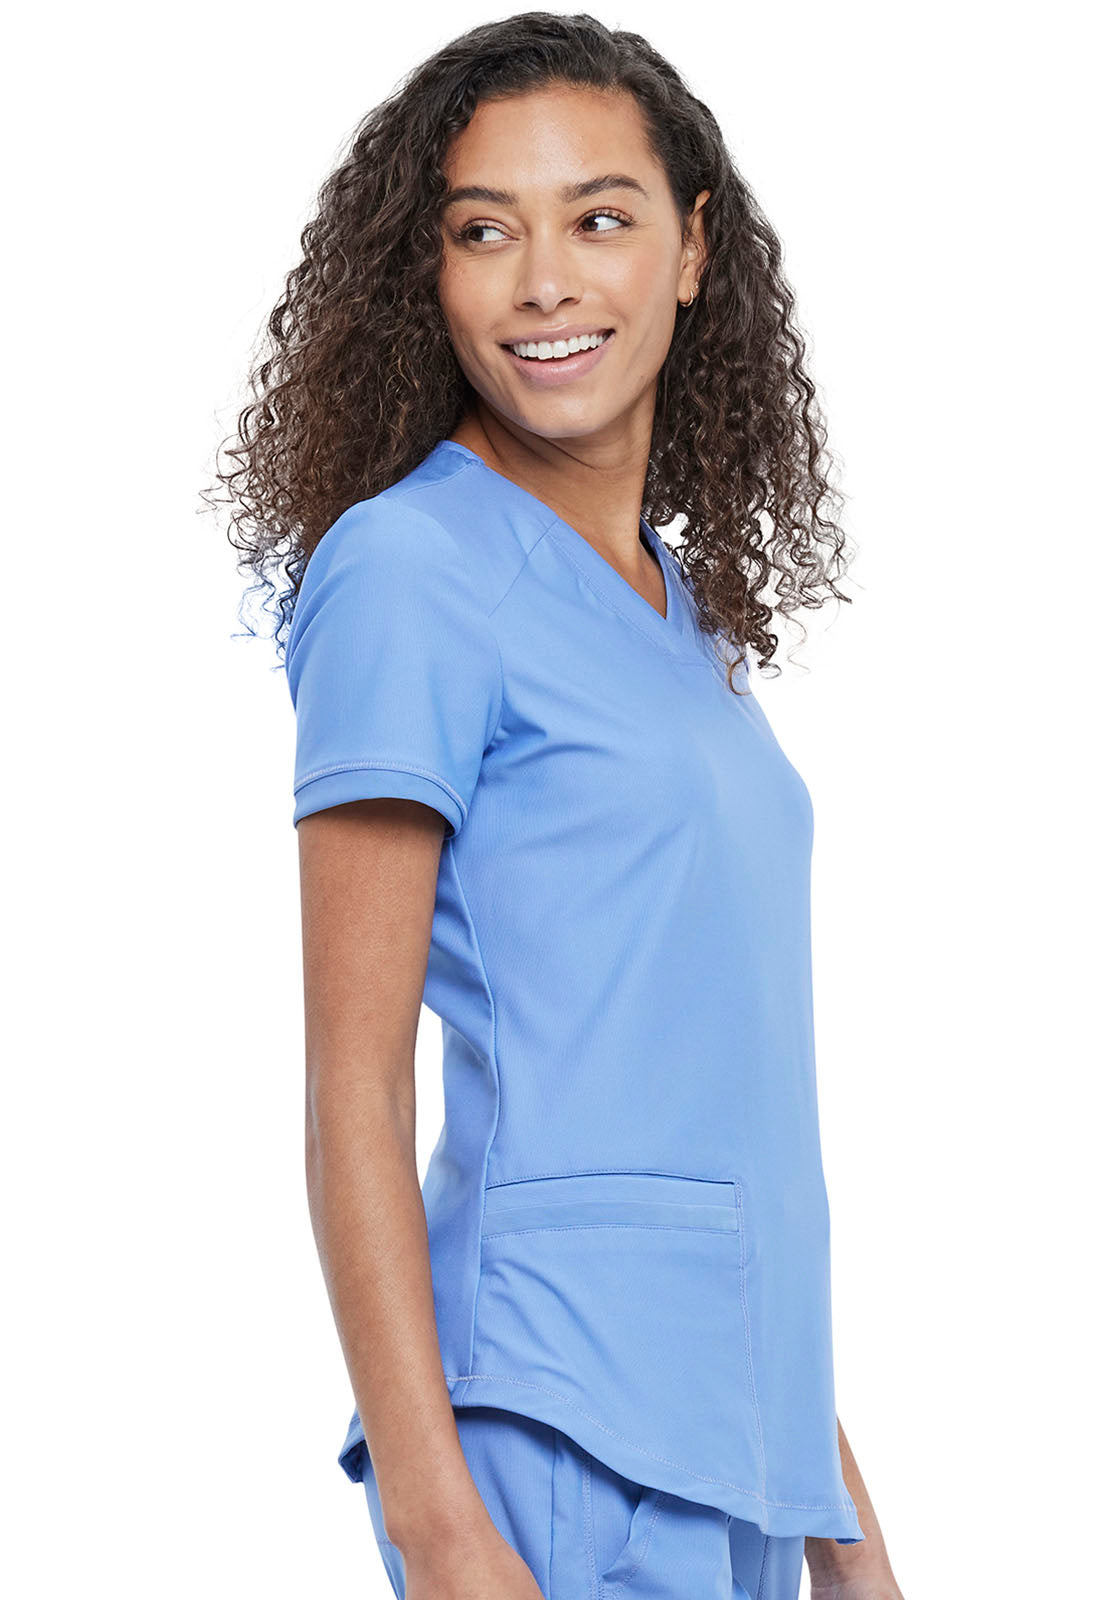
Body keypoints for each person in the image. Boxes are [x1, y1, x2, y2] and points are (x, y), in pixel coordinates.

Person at [214, 13, 905, 1599]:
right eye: (483, 231)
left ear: (692, 250)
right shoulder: (409, 570)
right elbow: (353, 1088)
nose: (543, 281)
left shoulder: (683, 616)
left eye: (600, 218)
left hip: (739, 1455)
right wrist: (439, 1528)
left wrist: (844, 1534)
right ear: (429, 272)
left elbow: (717, 1122)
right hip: (555, 1436)